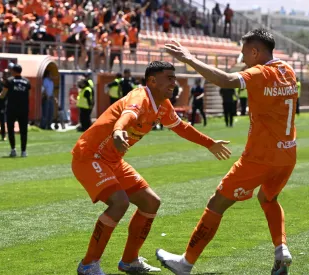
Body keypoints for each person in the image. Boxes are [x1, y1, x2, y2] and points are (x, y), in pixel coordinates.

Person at [157, 28, 297, 275]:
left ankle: (185, 263)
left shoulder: (259, 72)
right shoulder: (288, 70)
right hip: (287, 155)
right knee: (268, 198)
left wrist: (189, 59)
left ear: (255, 52)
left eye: (244, 52)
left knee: (216, 203)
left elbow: (227, 81)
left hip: (260, 157)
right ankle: (281, 249)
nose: (242, 58)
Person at [71, 61, 231, 275]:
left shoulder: (162, 104)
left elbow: (181, 127)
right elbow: (128, 115)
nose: (174, 83)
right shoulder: (140, 97)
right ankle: (88, 265)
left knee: (150, 202)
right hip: (89, 156)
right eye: (169, 78)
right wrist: (118, 131)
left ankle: (129, 261)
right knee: (119, 203)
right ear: (152, 81)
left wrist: (209, 143)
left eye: (175, 78)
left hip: (113, 160)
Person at [0, 64, 31, 157]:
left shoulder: (9, 81)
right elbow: (28, 95)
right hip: (24, 108)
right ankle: (23, 151)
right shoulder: (27, 81)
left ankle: (13, 150)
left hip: (12, 108)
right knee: (23, 130)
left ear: (13, 71)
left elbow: (3, 94)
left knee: (10, 129)